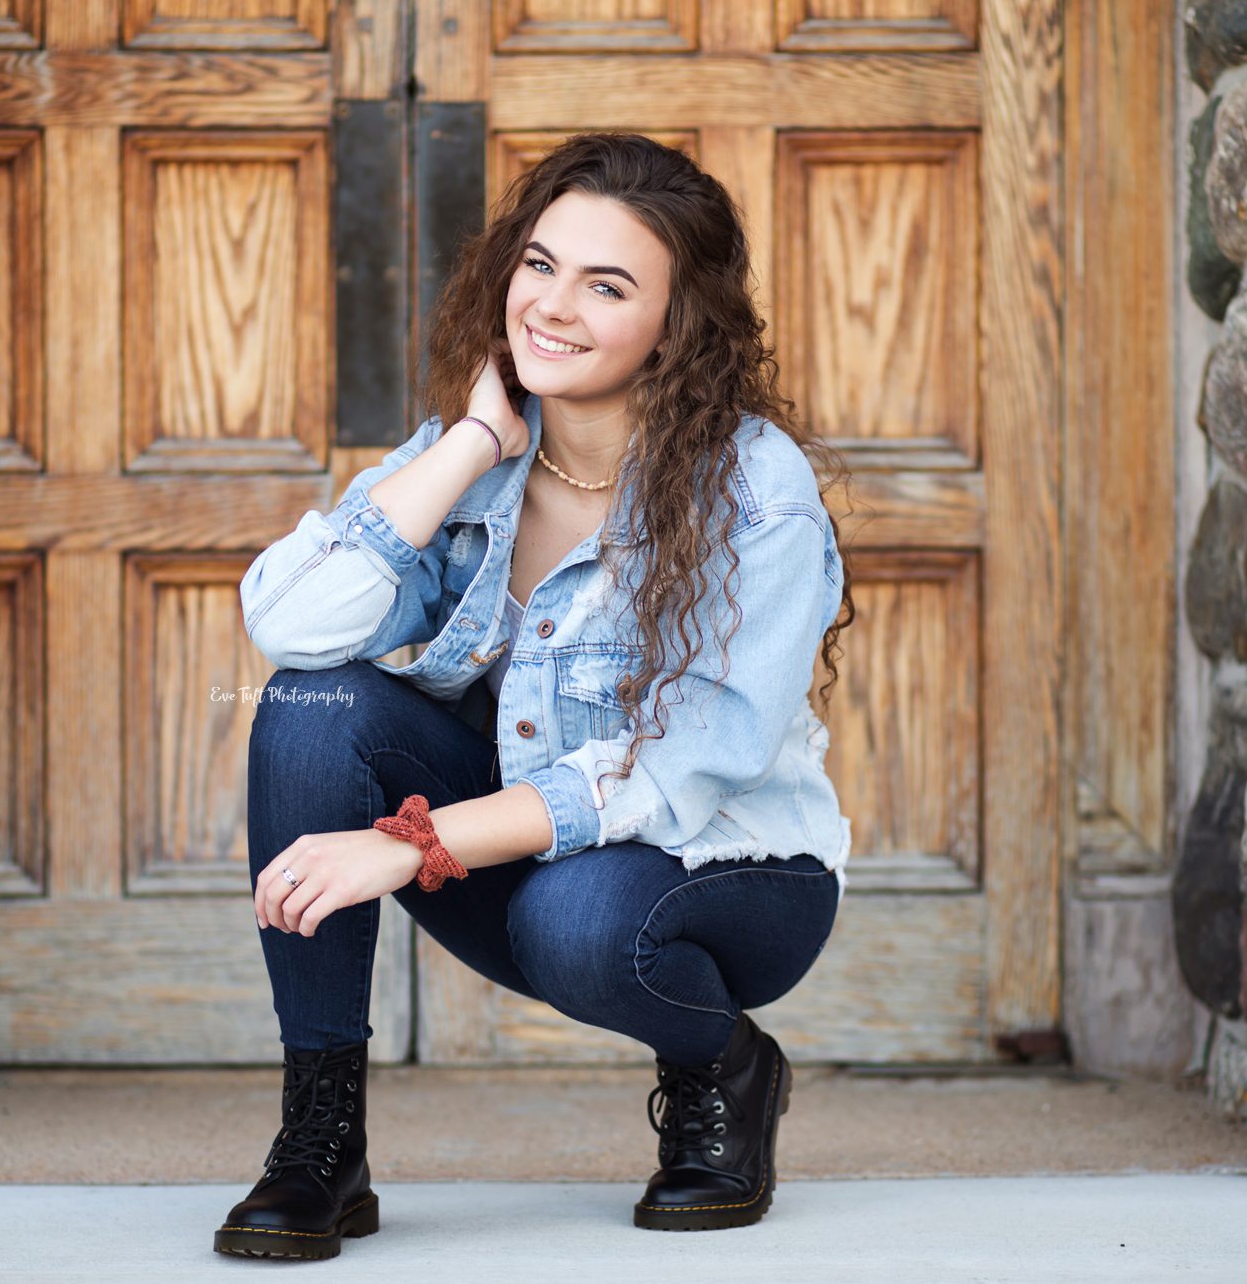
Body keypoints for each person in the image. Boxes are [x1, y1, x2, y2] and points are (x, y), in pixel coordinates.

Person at [214, 132, 858, 1260]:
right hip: (529, 854)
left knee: (575, 920)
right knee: (311, 703)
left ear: (677, 320)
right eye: (539, 264)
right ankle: (320, 1142)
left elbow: (681, 764)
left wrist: (408, 845)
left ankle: (724, 1062)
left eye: (606, 285)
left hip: (727, 873)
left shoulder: (756, 491)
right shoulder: (474, 462)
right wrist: (469, 441)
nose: (551, 307)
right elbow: (287, 622)